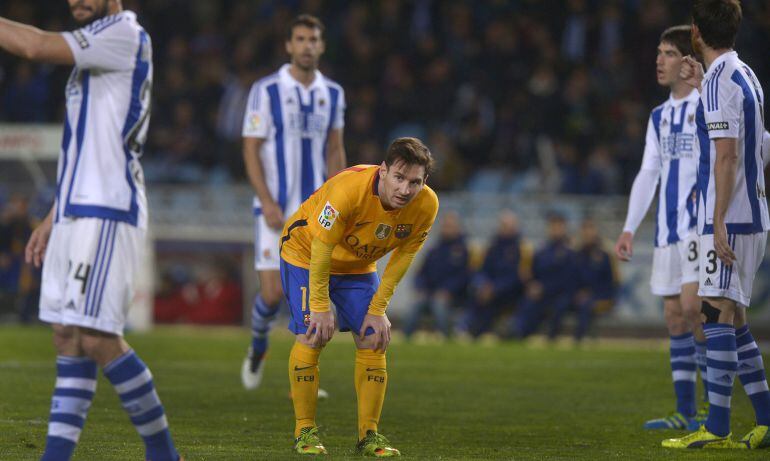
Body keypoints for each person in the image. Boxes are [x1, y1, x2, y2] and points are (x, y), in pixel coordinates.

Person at [1, 1, 181, 460]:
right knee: (66, 333)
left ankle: (164, 455)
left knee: (97, 337)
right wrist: (53, 214)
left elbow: (36, 46)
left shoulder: (122, 33)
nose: (76, 1)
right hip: (76, 207)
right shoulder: (96, 44)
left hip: (107, 207)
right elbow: (88, 139)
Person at [279, 137, 438, 455]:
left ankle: (369, 436)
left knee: (373, 337)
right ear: (383, 171)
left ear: (424, 182)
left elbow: (402, 258)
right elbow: (322, 247)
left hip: (357, 265)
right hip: (305, 252)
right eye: (399, 177)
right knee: (314, 334)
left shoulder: (427, 205)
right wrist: (320, 305)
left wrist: (378, 309)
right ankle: (305, 432)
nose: (406, 189)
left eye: (415, 182)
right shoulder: (348, 190)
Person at [663, 0, 770, 449]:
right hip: (753, 212)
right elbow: (758, 142)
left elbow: (726, 155)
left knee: (714, 313)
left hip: (732, 217)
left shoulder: (719, 83)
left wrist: (719, 221)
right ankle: (765, 419)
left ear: (695, 32)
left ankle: (718, 429)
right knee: (736, 318)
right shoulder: (743, 74)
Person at [240, 14, 347, 390]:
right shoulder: (265, 90)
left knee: (310, 294)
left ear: (322, 45)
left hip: (315, 214)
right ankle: (257, 346)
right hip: (274, 210)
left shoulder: (332, 93)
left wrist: (341, 200)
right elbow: (251, 149)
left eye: (313, 39)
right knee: (271, 295)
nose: (307, 45)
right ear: (289, 45)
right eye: (300, 39)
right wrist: (266, 200)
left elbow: (335, 150)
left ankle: (307, 371)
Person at [614, 25, 708, 430]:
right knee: (674, 315)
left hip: (701, 227)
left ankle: (713, 407)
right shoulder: (659, 116)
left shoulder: (709, 106)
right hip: (667, 230)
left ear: (689, 62)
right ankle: (686, 412)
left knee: (695, 310)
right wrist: (630, 227)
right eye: (659, 52)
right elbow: (648, 173)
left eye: (669, 53)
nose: (659, 60)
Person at [462, 210, 530, 338]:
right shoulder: (491, 247)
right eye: (503, 225)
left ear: (516, 227)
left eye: (509, 225)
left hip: (509, 292)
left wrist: (495, 288)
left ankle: (480, 332)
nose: (506, 228)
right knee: (475, 294)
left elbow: (519, 276)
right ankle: (465, 329)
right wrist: (483, 284)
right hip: (488, 289)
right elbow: (481, 270)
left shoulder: (522, 248)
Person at [403, 210, 468, 339]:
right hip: (429, 292)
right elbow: (421, 273)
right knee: (415, 305)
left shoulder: (463, 251)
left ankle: (445, 336)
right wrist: (420, 288)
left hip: (452, 295)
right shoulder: (434, 250)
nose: (446, 229)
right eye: (445, 226)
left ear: (457, 228)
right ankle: (407, 337)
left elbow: (464, 277)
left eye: (450, 226)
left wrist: (448, 290)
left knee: (439, 305)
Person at [511, 212, 577, 340]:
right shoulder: (542, 250)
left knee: (559, 306)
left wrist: (543, 288)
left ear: (564, 228)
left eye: (558, 226)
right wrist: (531, 283)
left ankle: (551, 337)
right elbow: (534, 272)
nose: (555, 230)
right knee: (527, 302)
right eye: (553, 226)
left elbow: (568, 279)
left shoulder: (570, 252)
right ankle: (519, 332)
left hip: (561, 293)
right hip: (542, 293)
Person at [573, 218, 617, 342]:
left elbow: (611, 281)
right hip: (580, 295)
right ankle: (552, 339)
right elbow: (573, 278)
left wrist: (591, 293)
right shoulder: (577, 254)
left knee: (586, 305)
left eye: (590, 229)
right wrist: (578, 292)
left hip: (601, 295)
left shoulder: (605, 254)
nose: (587, 233)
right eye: (585, 230)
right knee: (562, 303)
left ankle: (578, 338)